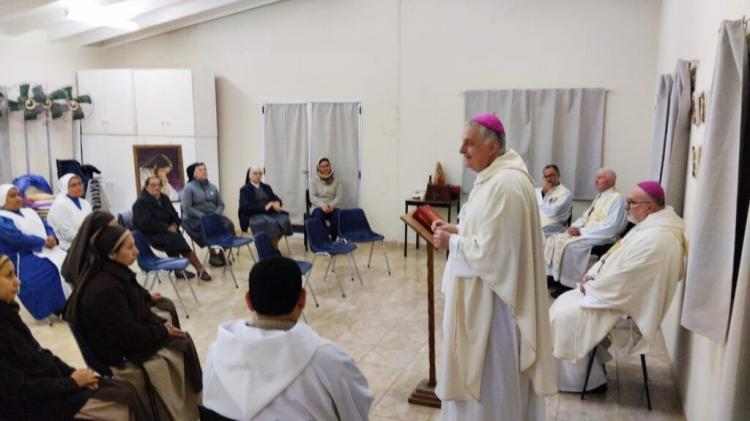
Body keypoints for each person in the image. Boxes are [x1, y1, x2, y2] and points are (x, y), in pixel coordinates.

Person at [432, 114, 556, 420]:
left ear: (492, 146)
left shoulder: (507, 184)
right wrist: (458, 232)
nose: (461, 150)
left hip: (496, 308)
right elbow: (490, 234)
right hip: (483, 296)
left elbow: (496, 254)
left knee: (491, 388)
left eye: (469, 143)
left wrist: (454, 245)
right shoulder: (493, 176)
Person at [549, 181, 686, 392]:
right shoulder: (652, 226)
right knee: (562, 304)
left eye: (631, 202)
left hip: (622, 305)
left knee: (562, 315)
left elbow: (629, 280)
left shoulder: (659, 238)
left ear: (649, 206)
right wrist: (592, 275)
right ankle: (591, 369)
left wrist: (593, 287)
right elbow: (616, 259)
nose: (626, 206)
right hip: (611, 292)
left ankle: (584, 382)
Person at [203, 256, 373, 420]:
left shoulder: (215, 355)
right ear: (302, 299)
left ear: (248, 301)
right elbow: (357, 412)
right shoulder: (331, 362)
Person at [0, 254, 153, 421]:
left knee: (124, 390)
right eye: (9, 275)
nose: (17, 281)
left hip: (50, 386)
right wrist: (72, 383)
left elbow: (41, 355)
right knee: (121, 404)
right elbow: (19, 391)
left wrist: (74, 374)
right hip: (33, 407)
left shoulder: (9, 314)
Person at [72, 225, 202, 419]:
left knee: (179, 336)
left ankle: (190, 408)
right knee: (179, 348)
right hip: (120, 355)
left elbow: (139, 307)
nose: (137, 251)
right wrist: (162, 331)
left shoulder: (116, 273)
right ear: (111, 254)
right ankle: (173, 412)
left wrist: (161, 325)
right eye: (130, 247)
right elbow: (128, 336)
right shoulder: (105, 289)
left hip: (128, 338)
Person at [63, 210, 181, 329]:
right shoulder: (91, 264)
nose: (116, 230)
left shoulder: (102, 255)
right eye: (112, 227)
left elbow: (126, 282)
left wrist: (144, 295)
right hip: (111, 313)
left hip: (121, 300)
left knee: (166, 304)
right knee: (166, 313)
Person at [545, 168, 628, 293]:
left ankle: (569, 284)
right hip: (588, 232)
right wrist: (575, 227)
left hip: (603, 235)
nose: (596, 181)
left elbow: (613, 226)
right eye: (596, 177)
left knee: (571, 247)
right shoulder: (600, 196)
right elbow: (586, 216)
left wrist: (582, 232)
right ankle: (554, 277)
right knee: (554, 239)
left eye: (600, 178)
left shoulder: (618, 199)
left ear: (611, 182)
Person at [0, 184, 69, 319]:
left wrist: (52, 237)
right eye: (12, 196)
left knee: (69, 261)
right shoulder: (2, 219)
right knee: (51, 269)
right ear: (2, 200)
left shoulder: (30, 212)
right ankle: (58, 307)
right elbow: (16, 238)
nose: (18, 198)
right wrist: (43, 242)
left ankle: (71, 303)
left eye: (19, 195)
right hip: (21, 256)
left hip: (47, 249)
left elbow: (46, 225)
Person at [133, 176, 212, 281]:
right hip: (151, 234)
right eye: (153, 185)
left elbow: (174, 214)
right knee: (176, 239)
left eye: (159, 185)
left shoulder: (164, 198)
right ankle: (199, 269)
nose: (157, 187)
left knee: (175, 237)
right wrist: (166, 228)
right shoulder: (140, 203)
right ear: (146, 186)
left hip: (168, 231)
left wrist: (174, 224)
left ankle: (179, 270)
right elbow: (146, 223)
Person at [181, 162, 233, 266]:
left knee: (229, 225)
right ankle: (212, 255)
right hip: (194, 218)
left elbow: (221, 204)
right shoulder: (189, 188)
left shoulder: (213, 187)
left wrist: (216, 214)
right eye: (200, 170)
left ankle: (222, 254)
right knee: (208, 226)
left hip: (213, 215)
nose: (204, 171)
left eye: (205, 169)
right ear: (194, 174)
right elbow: (187, 208)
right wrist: (202, 216)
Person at [238, 166, 293, 248]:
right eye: (255, 173)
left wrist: (278, 203)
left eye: (260, 174)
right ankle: (269, 248)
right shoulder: (245, 189)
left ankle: (273, 247)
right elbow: (247, 206)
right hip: (252, 215)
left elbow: (275, 198)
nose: (258, 176)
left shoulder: (266, 187)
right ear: (249, 175)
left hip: (269, 213)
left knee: (284, 220)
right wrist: (265, 207)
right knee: (271, 223)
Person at [47, 173, 93, 251]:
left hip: (85, 242)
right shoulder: (60, 205)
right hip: (67, 247)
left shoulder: (85, 203)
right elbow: (67, 234)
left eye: (80, 184)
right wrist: (88, 239)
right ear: (65, 188)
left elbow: (92, 224)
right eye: (74, 185)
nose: (79, 187)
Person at [309, 157, 343, 240]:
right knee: (318, 216)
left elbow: (339, 196)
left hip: (332, 206)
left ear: (330, 167)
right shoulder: (313, 181)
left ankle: (333, 240)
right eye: (322, 166)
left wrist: (331, 206)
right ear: (319, 168)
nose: (325, 168)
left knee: (338, 215)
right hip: (318, 207)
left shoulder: (337, 181)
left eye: (327, 166)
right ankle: (324, 239)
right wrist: (323, 206)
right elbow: (312, 197)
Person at [536, 164, 573, 237]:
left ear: (558, 175)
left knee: (536, 233)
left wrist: (544, 195)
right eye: (546, 176)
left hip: (554, 224)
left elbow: (552, 212)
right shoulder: (538, 191)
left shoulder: (565, 193)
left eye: (551, 175)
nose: (548, 179)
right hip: (538, 221)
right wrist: (543, 192)